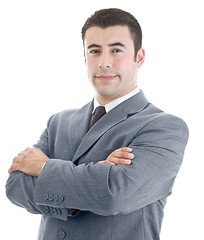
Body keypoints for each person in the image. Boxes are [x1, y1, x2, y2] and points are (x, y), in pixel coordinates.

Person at [6, 8, 189, 240]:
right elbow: (16, 187)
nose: (104, 62)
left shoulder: (164, 128)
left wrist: (43, 168)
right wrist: (89, 184)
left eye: (116, 50)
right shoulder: (59, 122)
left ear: (139, 57)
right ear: (85, 57)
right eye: (95, 51)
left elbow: (114, 194)